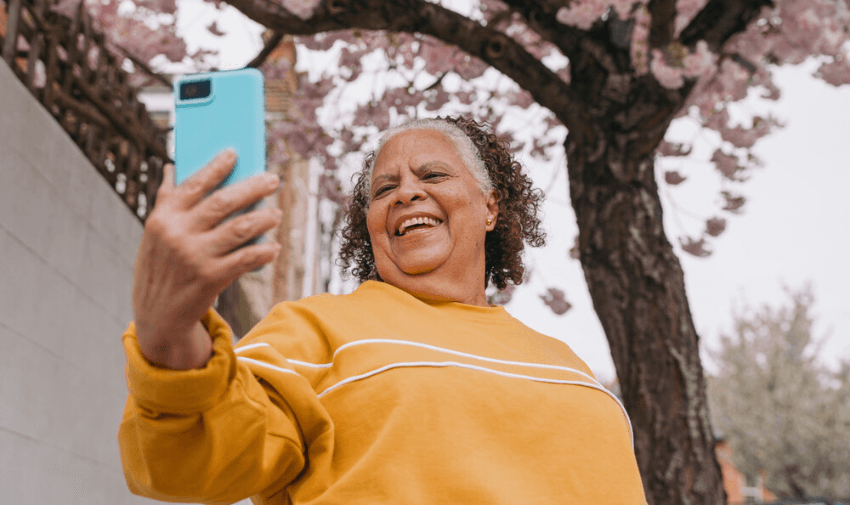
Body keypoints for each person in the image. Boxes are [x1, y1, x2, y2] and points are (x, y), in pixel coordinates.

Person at [119, 116, 647, 504]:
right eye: (384, 189)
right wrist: (166, 332)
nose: (406, 193)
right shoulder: (314, 331)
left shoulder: (569, 366)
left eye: (433, 176)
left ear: (490, 206)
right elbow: (190, 460)